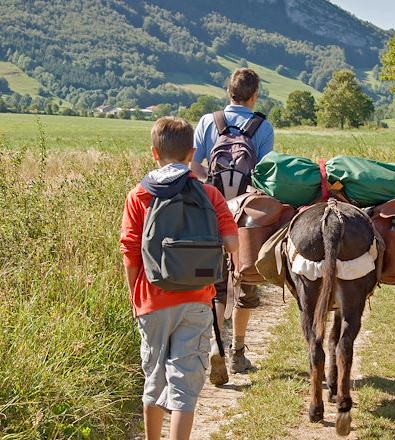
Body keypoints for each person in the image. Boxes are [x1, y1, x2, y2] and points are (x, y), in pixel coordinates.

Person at [120, 116, 239, 440]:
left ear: (153, 153)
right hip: (197, 299)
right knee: (184, 386)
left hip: (151, 299)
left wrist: (136, 296)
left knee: (154, 382)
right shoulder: (209, 194)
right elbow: (231, 243)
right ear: (192, 153)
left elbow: (130, 252)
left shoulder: (138, 196)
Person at [191, 67, 275, 382]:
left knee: (216, 285)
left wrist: (212, 188)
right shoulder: (263, 127)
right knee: (245, 279)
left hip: (210, 212)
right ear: (254, 96)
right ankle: (238, 352)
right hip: (246, 216)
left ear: (229, 92)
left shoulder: (206, 122)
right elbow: (265, 177)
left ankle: (216, 343)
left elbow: (195, 166)